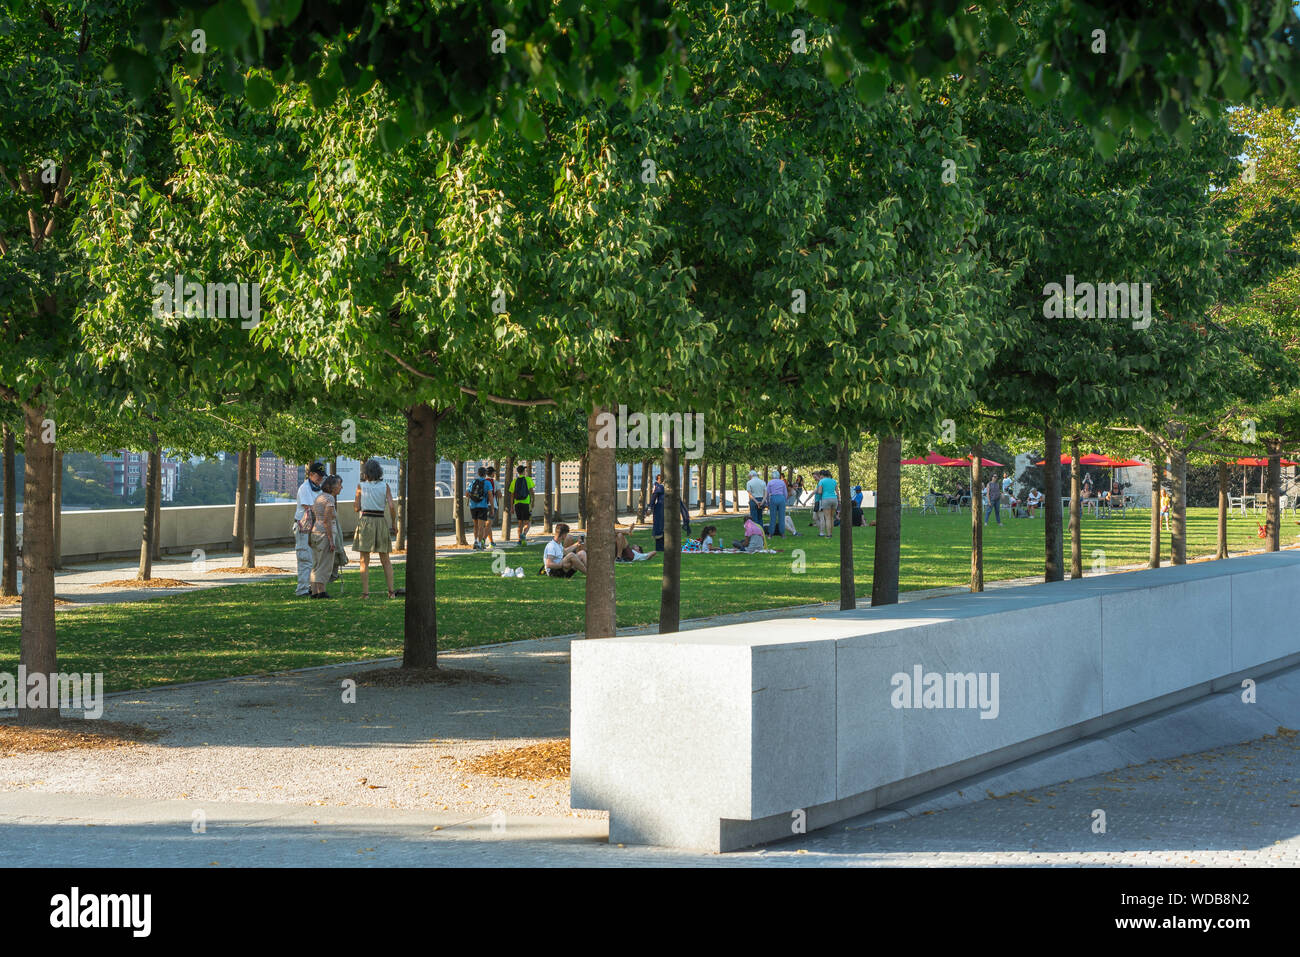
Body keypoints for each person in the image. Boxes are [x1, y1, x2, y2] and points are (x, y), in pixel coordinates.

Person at [353, 458, 403, 599]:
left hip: (366, 521)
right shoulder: (385, 486)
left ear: (365, 473)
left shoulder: (360, 486)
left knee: (364, 560)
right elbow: (392, 506)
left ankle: (365, 593)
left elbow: (356, 507)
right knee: (385, 559)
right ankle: (391, 592)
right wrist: (394, 522)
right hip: (380, 520)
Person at [293, 462, 327, 597]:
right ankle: (302, 589)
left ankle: (311, 587)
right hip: (303, 528)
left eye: (322, 476)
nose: (320, 479)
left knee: (313, 560)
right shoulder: (305, 488)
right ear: (311, 474)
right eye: (318, 476)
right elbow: (310, 508)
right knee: (304, 558)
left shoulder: (319, 489)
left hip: (314, 528)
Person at [307, 475, 343, 598]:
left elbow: (314, 517)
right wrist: (331, 541)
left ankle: (314, 591)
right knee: (324, 564)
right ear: (332, 487)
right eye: (339, 485)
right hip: (324, 534)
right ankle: (321, 591)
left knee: (316, 564)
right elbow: (327, 521)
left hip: (315, 533)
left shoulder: (319, 497)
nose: (341, 487)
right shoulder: (329, 500)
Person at [510, 464, 536, 546]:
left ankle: (519, 540)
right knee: (528, 522)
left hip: (517, 503)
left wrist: (512, 506)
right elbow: (532, 492)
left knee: (520, 522)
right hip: (525, 503)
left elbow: (512, 495)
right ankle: (524, 534)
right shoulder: (528, 479)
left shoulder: (514, 481)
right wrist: (533, 502)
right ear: (523, 472)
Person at [468, 466, 492, 550]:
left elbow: (467, 494)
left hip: (473, 506)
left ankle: (475, 541)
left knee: (475, 525)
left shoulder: (473, 482)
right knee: (481, 526)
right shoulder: (487, 483)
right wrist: (492, 508)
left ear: (478, 473)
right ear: (485, 474)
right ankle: (479, 543)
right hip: (482, 506)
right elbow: (490, 495)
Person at [816, 471, 838, 536]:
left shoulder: (821, 481)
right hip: (834, 499)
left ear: (822, 475)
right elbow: (837, 491)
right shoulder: (834, 481)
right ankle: (831, 533)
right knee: (832, 517)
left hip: (826, 499)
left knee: (827, 517)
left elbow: (820, 492)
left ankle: (828, 535)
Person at [766, 469, 787, 537]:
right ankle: (782, 533)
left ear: (772, 476)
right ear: (778, 476)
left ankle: (770, 534)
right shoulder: (782, 482)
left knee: (773, 517)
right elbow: (785, 493)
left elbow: (767, 493)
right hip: (781, 498)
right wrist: (785, 500)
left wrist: (767, 502)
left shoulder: (770, 482)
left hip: (773, 498)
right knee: (782, 517)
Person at [484, 466, 499, 547]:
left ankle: (492, 542)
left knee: (487, 525)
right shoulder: (495, 482)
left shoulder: (483, 482)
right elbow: (499, 495)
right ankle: (482, 540)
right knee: (488, 525)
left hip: (482, 505)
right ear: (492, 473)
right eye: (494, 473)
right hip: (492, 505)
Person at [650, 473, 665, 551]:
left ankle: (664, 546)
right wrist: (650, 507)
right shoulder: (658, 487)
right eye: (659, 479)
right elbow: (653, 497)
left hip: (666, 509)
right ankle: (659, 547)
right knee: (660, 527)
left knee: (665, 527)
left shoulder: (660, 487)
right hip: (660, 509)